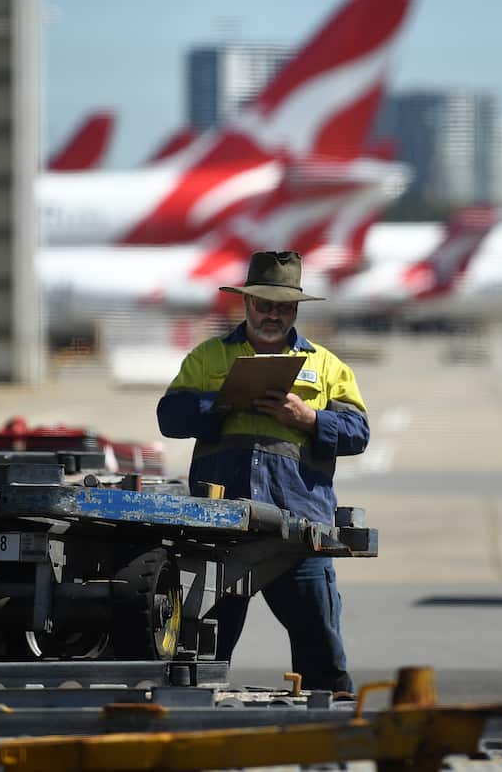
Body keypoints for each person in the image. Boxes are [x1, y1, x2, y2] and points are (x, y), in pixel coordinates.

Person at [156, 250, 368, 693]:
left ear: (294, 309)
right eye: (263, 305)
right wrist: (219, 404)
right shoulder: (208, 357)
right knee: (201, 656)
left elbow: (358, 431)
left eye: (282, 307)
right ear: (246, 304)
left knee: (321, 652)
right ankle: (195, 736)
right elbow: (169, 417)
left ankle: (328, 743)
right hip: (220, 532)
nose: (272, 314)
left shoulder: (327, 366)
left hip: (298, 531)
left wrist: (310, 420)